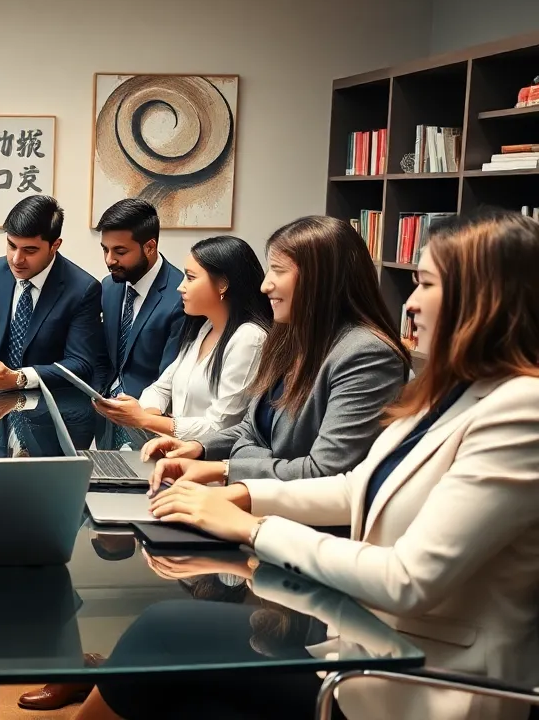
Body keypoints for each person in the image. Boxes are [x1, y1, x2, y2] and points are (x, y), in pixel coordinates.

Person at [110, 210, 539, 720]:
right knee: (170, 666)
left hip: (427, 683)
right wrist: (236, 493)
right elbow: (354, 484)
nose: (410, 302)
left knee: (164, 634)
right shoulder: (452, 392)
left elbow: (408, 579)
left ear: (483, 299)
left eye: (425, 283)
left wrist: (252, 524)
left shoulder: (521, 409)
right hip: (361, 648)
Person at [145, 215, 410, 489]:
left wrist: (227, 467)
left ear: (320, 280)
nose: (265, 285)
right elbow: (252, 428)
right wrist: (200, 448)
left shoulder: (367, 355)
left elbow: (325, 472)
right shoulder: (290, 337)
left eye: (278, 271)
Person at [94, 235, 271, 439]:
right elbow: (161, 387)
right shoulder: (204, 329)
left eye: (191, 277)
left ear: (222, 284)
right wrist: (144, 413)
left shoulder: (249, 339)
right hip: (177, 451)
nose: (181, 287)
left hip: (212, 462)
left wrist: (145, 420)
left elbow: (221, 426)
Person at [0, 195, 110, 391]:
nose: (17, 260)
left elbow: (80, 364)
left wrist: (20, 378)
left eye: (30, 250)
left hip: (48, 401)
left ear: (55, 245)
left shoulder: (83, 289)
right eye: (12, 246)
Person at [95, 198, 186, 399]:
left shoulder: (180, 296)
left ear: (150, 247)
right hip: (104, 408)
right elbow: (101, 356)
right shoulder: (109, 287)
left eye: (120, 251)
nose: (110, 260)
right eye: (105, 249)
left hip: (147, 413)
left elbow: (169, 379)